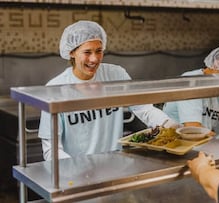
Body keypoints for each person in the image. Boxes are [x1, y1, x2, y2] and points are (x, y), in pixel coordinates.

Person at [38, 20, 178, 161]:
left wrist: (170, 125)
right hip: (77, 173)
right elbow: (51, 150)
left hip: (115, 164)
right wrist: (76, 169)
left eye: (99, 51)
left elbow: (143, 108)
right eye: (87, 52)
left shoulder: (116, 75)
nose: (94, 59)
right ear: (72, 52)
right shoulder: (55, 89)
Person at [163, 45, 219, 134]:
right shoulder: (192, 82)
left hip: (197, 141)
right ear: (216, 65)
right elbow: (193, 128)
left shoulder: (218, 86)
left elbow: (208, 123)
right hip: (176, 141)